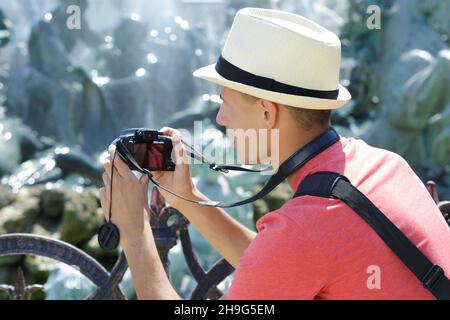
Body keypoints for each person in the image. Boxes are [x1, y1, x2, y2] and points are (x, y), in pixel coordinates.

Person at [99, 8, 450, 299]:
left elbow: (291, 253)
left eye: (225, 102)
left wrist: (134, 232)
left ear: (267, 113)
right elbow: (281, 267)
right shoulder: (385, 165)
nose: (220, 119)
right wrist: (188, 199)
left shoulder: (304, 228)